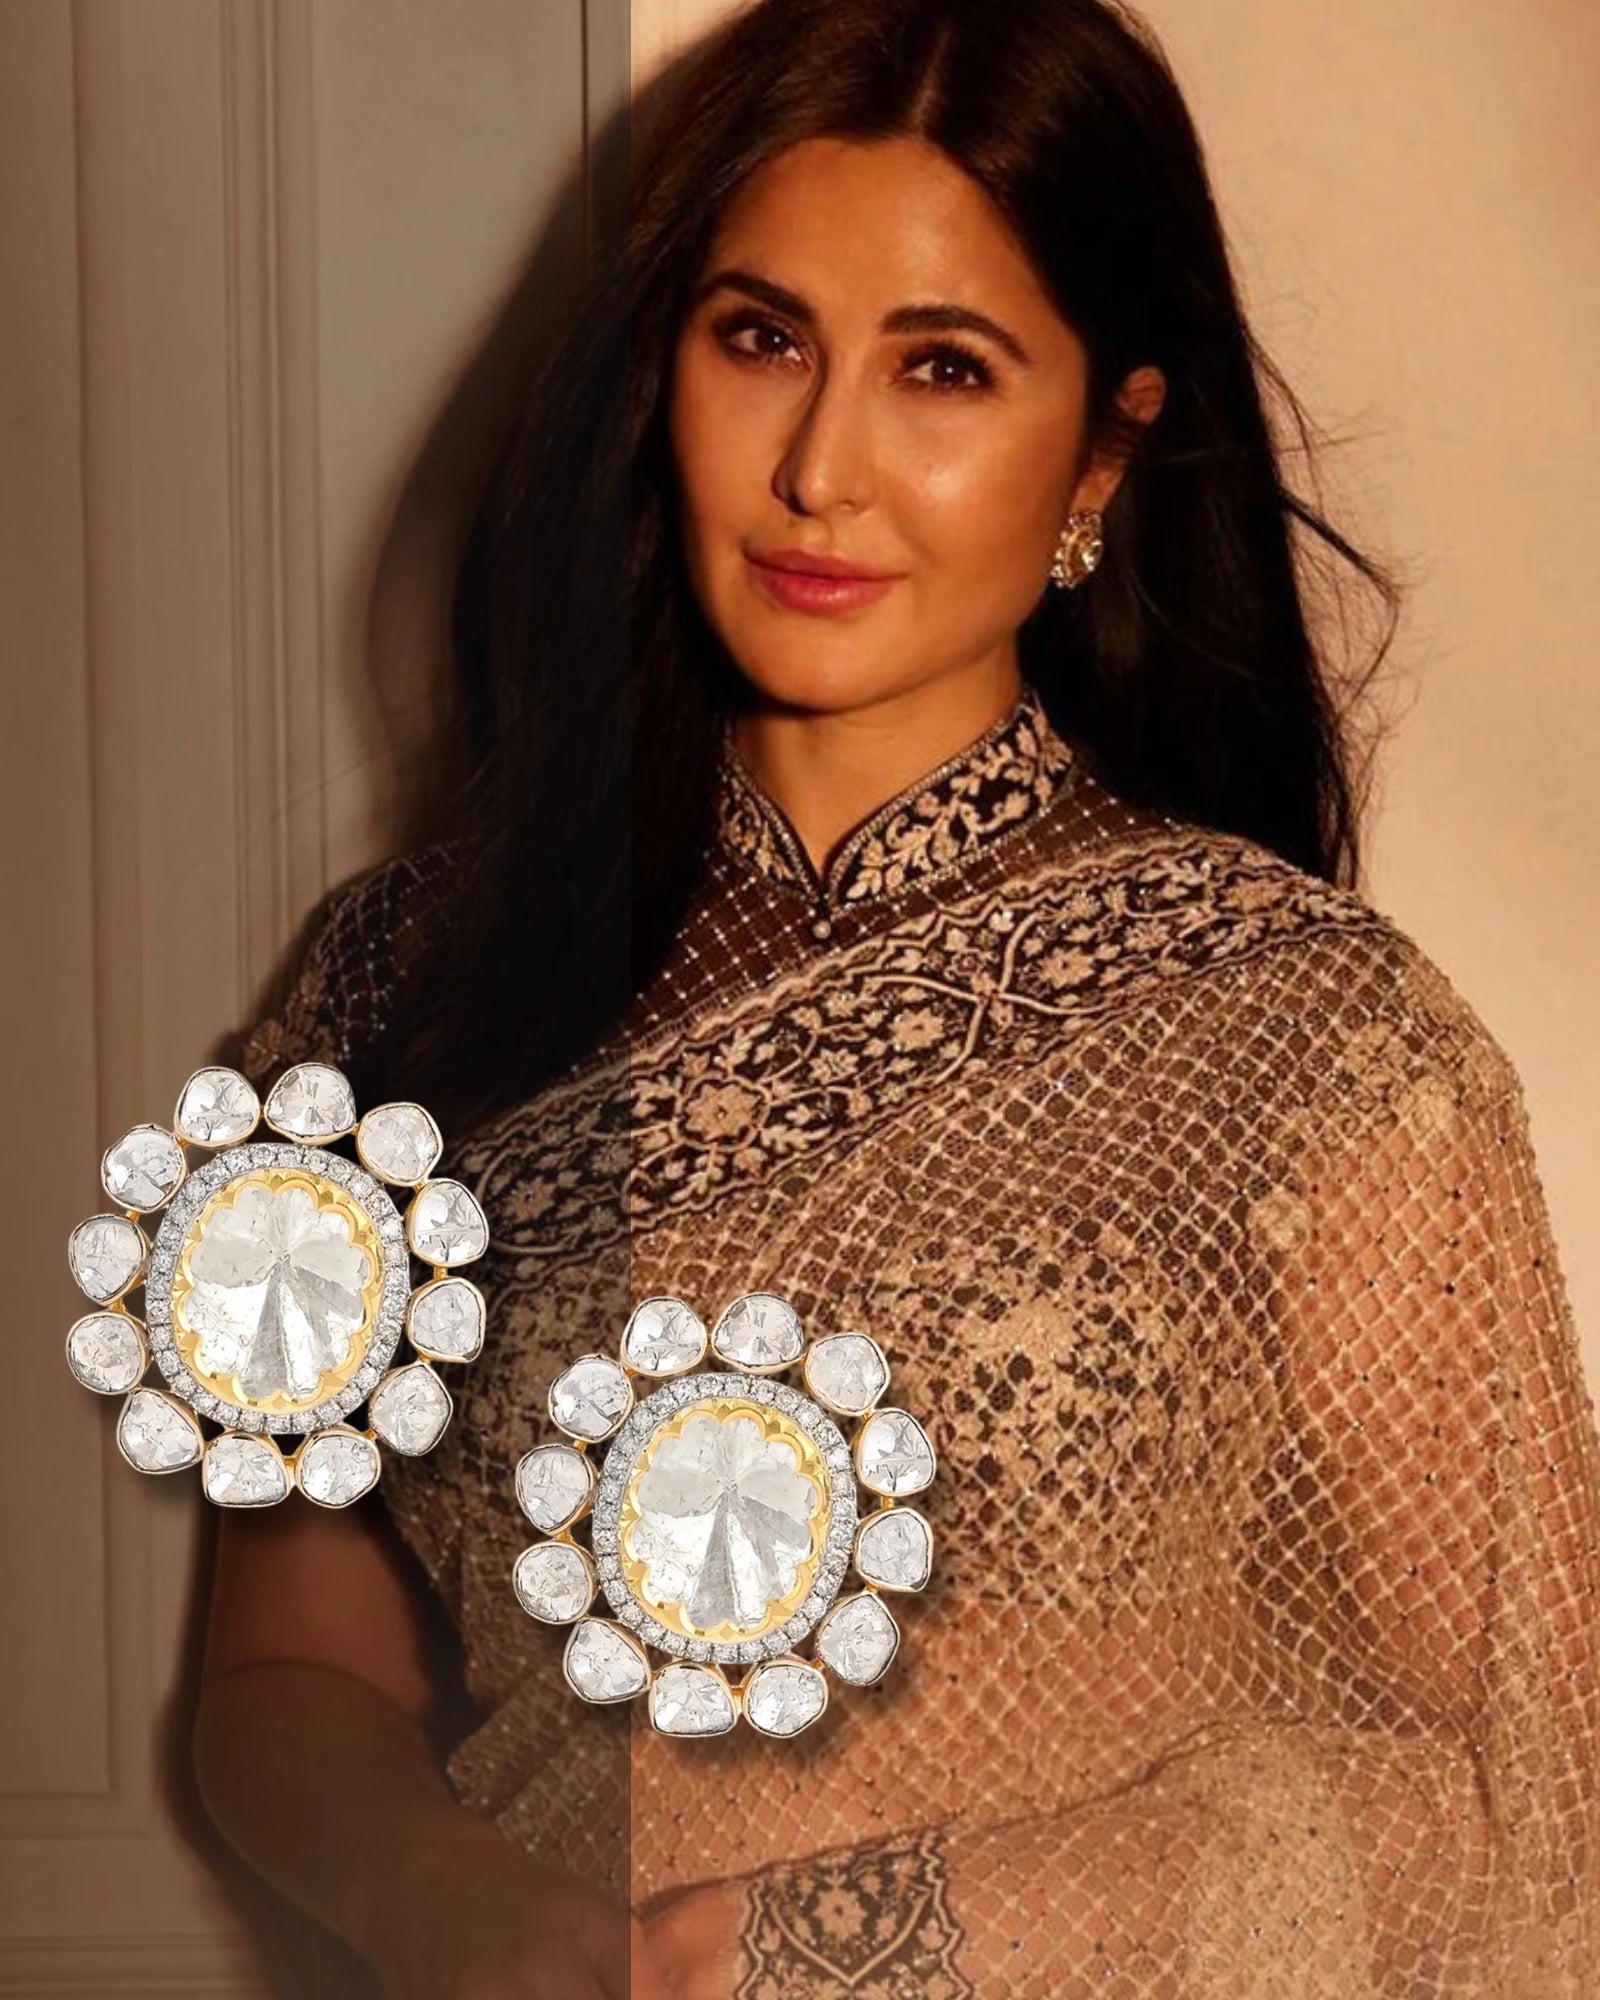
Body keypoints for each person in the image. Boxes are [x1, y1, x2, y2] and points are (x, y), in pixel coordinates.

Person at [191, 0, 1600, 1994]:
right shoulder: (393, 989)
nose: (819, 469)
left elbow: (1514, 1785)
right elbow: (285, 1668)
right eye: (760, 339)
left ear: (1105, 441)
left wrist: (884, 1932)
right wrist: (447, 1899)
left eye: (942, 368)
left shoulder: (1307, 1036)